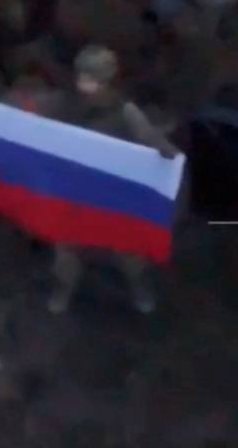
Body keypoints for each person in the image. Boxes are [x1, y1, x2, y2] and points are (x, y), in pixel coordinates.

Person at [45, 44, 180, 314]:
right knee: (66, 253)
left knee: (129, 253)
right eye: (82, 77)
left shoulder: (124, 111)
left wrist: (169, 158)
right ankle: (64, 289)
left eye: (92, 79)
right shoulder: (66, 104)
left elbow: (152, 140)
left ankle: (139, 287)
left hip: (115, 192)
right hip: (75, 190)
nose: (85, 85)